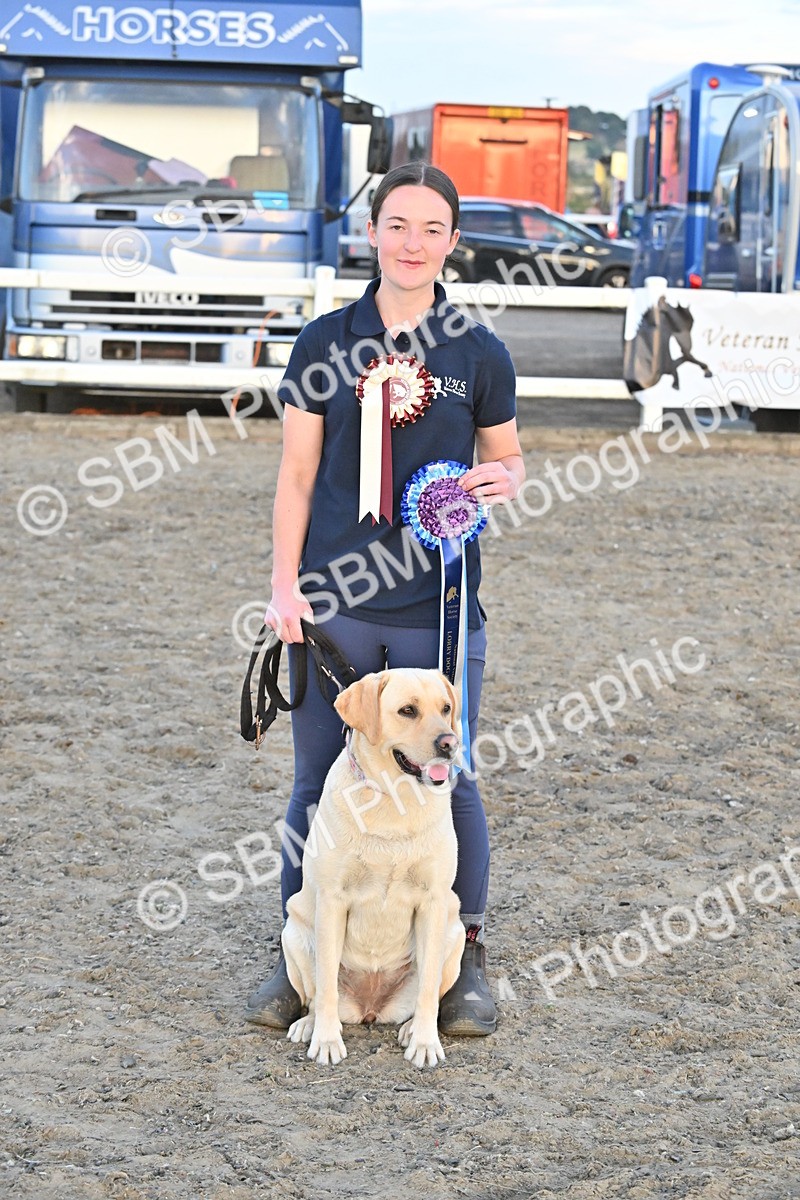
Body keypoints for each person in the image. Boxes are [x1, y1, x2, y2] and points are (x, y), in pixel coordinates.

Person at [245, 162, 525, 1037]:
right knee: (314, 782)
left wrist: (504, 479)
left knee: (451, 776)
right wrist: (284, 587)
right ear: (373, 233)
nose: (413, 243)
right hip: (333, 601)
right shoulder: (323, 342)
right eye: (397, 225)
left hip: (436, 607)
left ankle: (463, 952)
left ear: (452, 241)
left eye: (432, 228)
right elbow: (296, 477)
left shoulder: (478, 351)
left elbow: (509, 459)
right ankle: (298, 951)